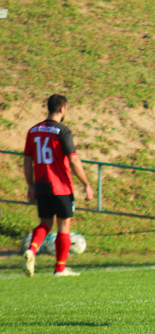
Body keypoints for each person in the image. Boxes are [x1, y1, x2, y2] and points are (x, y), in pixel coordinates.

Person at [22, 94, 94, 277]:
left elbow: (27, 162)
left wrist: (31, 185)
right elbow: (74, 159)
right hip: (61, 186)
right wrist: (86, 183)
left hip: (41, 185)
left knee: (45, 222)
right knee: (64, 226)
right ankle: (60, 268)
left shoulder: (33, 131)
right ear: (63, 109)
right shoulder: (63, 131)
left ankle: (32, 249)